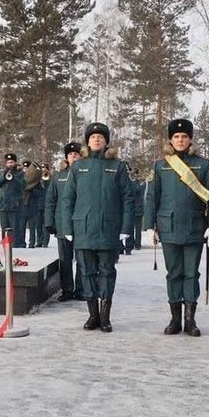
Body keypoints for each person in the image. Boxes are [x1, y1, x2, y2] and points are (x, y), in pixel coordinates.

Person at [144, 119, 209, 337]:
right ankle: (175, 319)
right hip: (167, 227)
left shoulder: (203, 165)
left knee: (191, 274)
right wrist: (149, 225)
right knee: (173, 274)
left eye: (184, 137)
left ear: (190, 140)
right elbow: (152, 197)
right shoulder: (160, 166)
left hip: (195, 228)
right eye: (176, 137)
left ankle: (190, 320)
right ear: (170, 140)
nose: (180, 140)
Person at [61, 123, 134, 332]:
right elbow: (68, 199)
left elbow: (128, 199)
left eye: (101, 137)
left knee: (107, 271)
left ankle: (105, 316)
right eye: (93, 137)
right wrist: (67, 226)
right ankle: (92, 315)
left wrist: (125, 227)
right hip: (83, 228)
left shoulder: (117, 166)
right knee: (87, 272)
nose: (96, 140)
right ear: (87, 141)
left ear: (106, 142)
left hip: (108, 229)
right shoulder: (78, 167)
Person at [45, 142, 84, 302]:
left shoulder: (87, 174)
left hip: (82, 223)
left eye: (76, 154)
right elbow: (50, 201)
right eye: (71, 154)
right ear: (66, 158)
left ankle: (81, 290)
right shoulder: (58, 177)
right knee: (65, 260)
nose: (74, 156)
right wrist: (49, 222)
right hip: (62, 223)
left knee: (82, 259)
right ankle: (67, 290)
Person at [0, 153, 26, 248]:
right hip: (4, 205)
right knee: (4, 227)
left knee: (15, 227)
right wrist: (4, 176)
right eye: (8, 162)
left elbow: (23, 186)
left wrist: (14, 177)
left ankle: (16, 245)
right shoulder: (2, 173)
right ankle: (6, 245)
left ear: (15, 162)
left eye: (11, 162)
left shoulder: (20, 173)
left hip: (15, 205)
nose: (10, 164)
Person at [22, 160, 44, 248]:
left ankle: (32, 243)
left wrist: (33, 189)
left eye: (27, 168)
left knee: (32, 227)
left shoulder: (36, 182)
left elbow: (41, 194)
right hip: (23, 206)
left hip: (32, 206)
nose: (26, 170)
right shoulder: (21, 178)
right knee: (21, 227)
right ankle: (22, 242)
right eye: (25, 168)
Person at [38, 163, 52, 248]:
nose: (44, 170)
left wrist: (47, 180)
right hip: (39, 204)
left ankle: (45, 241)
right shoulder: (38, 180)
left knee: (46, 224)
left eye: (45, 168)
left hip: (47, 205)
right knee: (38, 224)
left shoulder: (51, 179)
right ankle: (39, 241)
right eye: (42, 169)